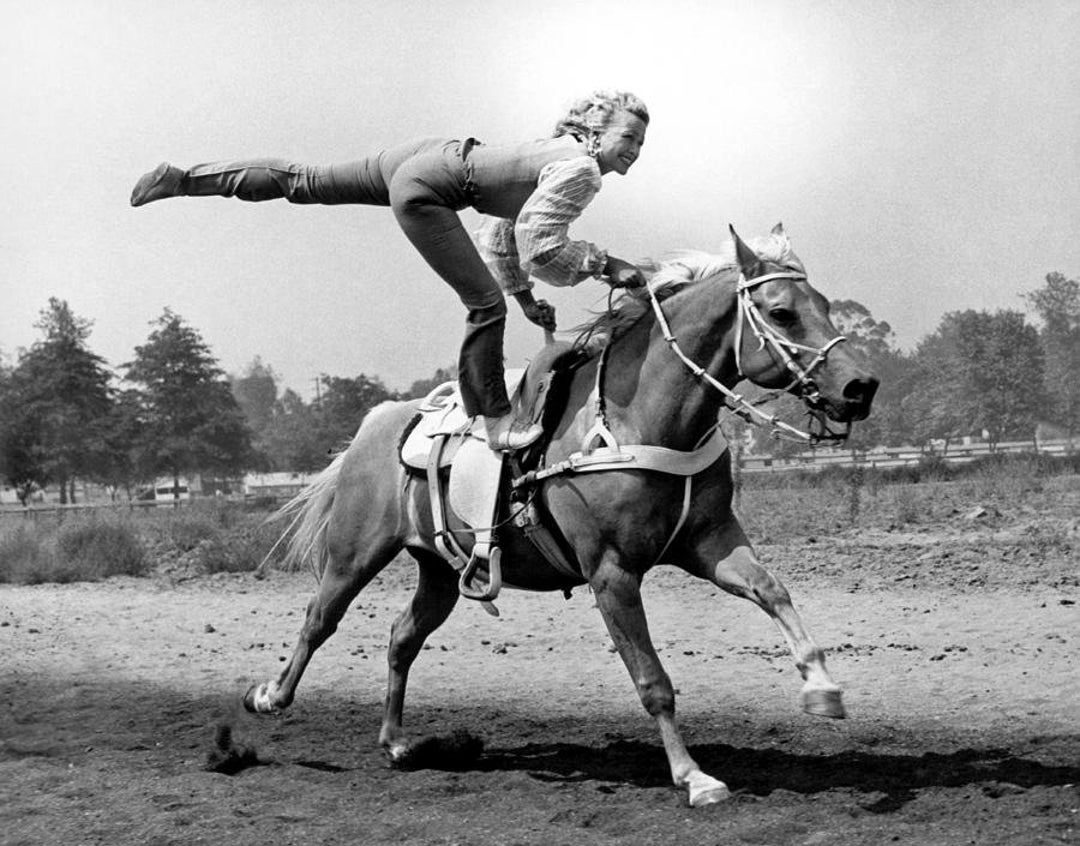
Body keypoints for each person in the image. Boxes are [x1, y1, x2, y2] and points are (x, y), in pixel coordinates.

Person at [130, 90, 649, 450]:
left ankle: (183, 179)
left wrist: (525, 299)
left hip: (428, 154)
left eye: (641, 145)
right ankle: (493, 418)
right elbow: (539, 245)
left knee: (305, 181)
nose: (634, 152)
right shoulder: (581, 170)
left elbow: (501, 231)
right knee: (483, 305)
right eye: (628, 138)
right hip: (430, 188)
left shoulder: (557, 152)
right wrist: (607, 266)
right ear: (598, 132)